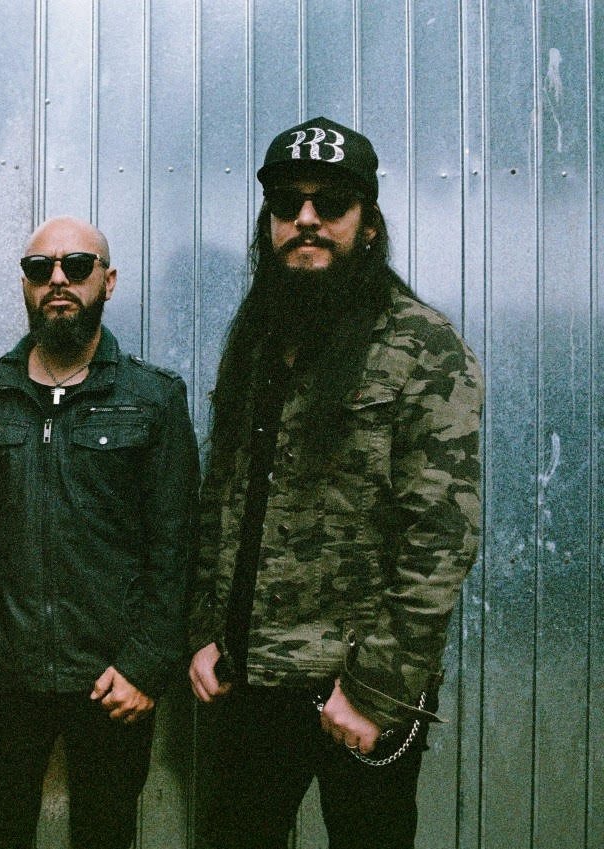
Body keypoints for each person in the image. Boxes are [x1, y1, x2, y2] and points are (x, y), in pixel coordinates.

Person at [186, 116, 483, 849]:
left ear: (368, 224)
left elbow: (440, 538)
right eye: (288, 203)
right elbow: (222, 500)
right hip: (249, 679)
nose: (307, 218)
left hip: (355, 686)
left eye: (331, 203)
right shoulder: (259, 340)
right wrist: (203, 632)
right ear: (269, 225)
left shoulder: (422, 345)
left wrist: (375, 690)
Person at [0, 216, 200, 849]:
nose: (58, 279)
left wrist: (145, 666)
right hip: (1, 682)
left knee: (104, 835)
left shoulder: (152, 398)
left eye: (78, 266)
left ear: (108, 281)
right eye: (40, 269)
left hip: (111, 680)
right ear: (26, 286)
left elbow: (176, 546)